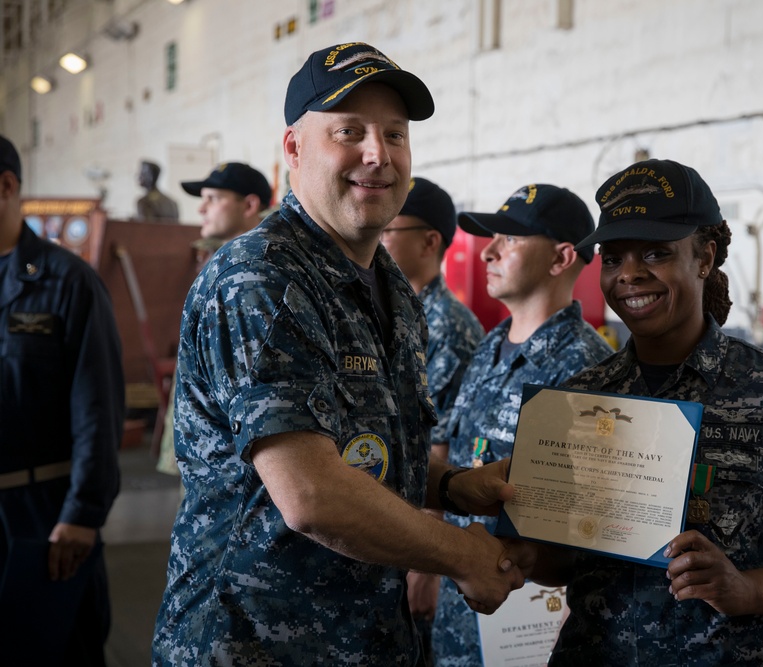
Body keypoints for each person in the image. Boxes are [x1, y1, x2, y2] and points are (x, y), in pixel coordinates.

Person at [151, 42, 525, 666]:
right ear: (294, 148)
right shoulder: (261, 279)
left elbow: (361, 455)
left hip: (361, 639)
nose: (378, 155)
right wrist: (463, 555)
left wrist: (456, 488)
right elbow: (312, 494)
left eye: (395, 135)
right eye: (349, 131)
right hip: (252, 644)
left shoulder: (391, 288)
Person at [512, 158, 763, 666]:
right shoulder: (579, 398)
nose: (629, 276)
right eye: (613, 259)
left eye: (656, 253)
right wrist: (518, 551)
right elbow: (565, 558)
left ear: (704, 257)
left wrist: (747, 589)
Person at [431, 183, 614, 666]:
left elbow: (589, 517)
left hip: (530, 621)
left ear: (560, 259)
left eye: (509, 239)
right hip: (458, 615)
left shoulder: (588, 368)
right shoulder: (489, 347)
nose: (488, 251)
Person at [0, 134, 124, 665]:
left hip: (42, 512)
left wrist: (83, 511)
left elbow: (97, 407)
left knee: (55, 649)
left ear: (6, 187)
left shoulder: (67, 282)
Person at [381, 176, 485, 664]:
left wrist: (428, 564)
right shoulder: (390, 310)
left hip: (415, 529)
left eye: (390, 226)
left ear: (429, 241)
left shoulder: (447, 325)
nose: (379, 233)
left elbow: (437, 446)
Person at [156, 161, 274, 477]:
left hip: (236, 460)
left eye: (213, 198)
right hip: (205, 449)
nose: (201, 209)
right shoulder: (217, 260)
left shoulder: (263, 270)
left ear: (250, 205)